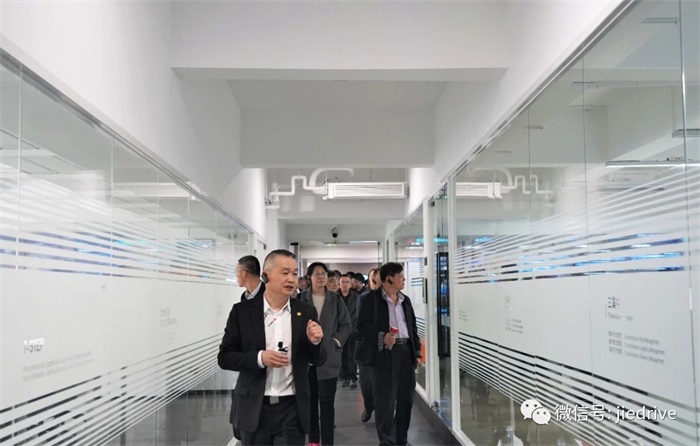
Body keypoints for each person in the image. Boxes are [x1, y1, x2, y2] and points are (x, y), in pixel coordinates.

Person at [218, 249, 326, 446]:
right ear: (266, 275)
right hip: (254, 407)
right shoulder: (242, 312)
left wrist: (315, 342)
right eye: (285, 273)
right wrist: (260, 358)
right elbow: (225, 357)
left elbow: (318, 359)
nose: (291, 279)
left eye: (294, 273)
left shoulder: (306, 312)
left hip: (292, 408)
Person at [357, 262, 421, 446]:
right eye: (400, 276)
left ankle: (401, 439)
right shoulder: (371, 299)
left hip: (406, 352)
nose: (404, 279)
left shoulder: (405, 300)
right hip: (384, 354)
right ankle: (386, 442)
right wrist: (381, 336)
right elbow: (362, 327)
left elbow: (412, 328)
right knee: (385, 402)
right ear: (389, 279)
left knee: (406, 400)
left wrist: (416, 352)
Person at [299, 262, 352, 446]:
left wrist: (335, 342)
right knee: (311, 404)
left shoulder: (335, 299)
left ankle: (328, 442)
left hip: (329, 358)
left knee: (327, 404)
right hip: (307, 360)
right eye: (317, 274)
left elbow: (346, 325)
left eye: (323, 273)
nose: (321, 277)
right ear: (309, 277)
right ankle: (314, 441)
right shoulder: (301, 298)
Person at [229, 255, 266, 438]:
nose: (236, 275)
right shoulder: (244, 299)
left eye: (237, 271)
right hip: (247, 366)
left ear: (244, 274)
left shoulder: (268, 296)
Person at [356, 268, 380, 422]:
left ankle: (383, 412)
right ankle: (369, 406)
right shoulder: (364, 298)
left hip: (384, 347)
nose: (374, 282)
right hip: (367, 345)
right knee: (366, 382)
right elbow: (361, 322)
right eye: (372, 279)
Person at [337, 273, 358, 388]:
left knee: (352, 356)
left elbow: (357, 314)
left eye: (347, 282)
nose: (345, 284)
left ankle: (352, 378)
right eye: (342, 282)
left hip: (352, 331)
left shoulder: (356, 297)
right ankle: (344, 377)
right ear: (339, 284)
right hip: (339, 331)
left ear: (351, 284)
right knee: (342, 356)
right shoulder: (335, 297)